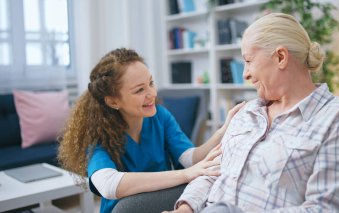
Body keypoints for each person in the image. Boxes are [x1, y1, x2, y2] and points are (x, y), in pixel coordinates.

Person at [167, 13, 339, 213]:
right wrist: (184, 209)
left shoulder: (338, 118)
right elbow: (210, 172)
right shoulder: (246, 113)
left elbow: (325, 209)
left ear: (280, 57)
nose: (245, 73)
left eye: (248, 60)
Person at [57, 48, 245, 213]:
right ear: (113, 101)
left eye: (151, 83)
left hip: (163, 199)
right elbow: (108, 184)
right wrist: (184, 175)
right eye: (139, 90)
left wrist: (223, 131)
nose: (152, 94)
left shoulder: (159, 116)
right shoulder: (98, 134)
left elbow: (188, 157)